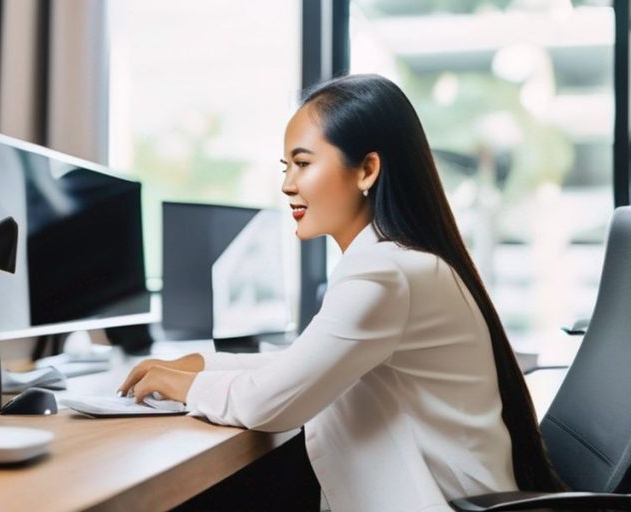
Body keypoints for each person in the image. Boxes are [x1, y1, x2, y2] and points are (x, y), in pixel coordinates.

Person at [118, 74, 565, 510]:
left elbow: (269, 404)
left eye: (303, 163)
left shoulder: (384, 272)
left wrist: (187, 385)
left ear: (367, 169)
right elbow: (306, 364)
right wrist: (204, 363)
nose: (287, 184)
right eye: (285, 166)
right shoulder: (402, 260)